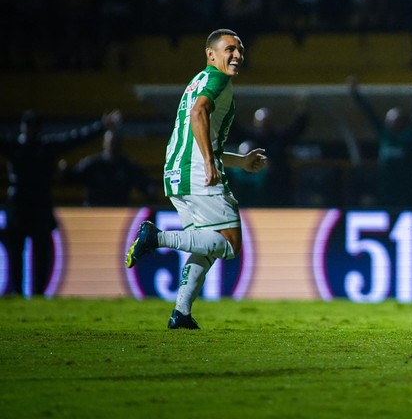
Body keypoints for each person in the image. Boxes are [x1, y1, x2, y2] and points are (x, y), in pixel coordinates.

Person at [124, 29, 268, 329]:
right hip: (196, 171)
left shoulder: (197, 81)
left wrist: (239, 161)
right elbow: (198, 114)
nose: (238, 55)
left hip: (176, 172)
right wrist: (207, 161)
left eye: (240, 49)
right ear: (211, 54)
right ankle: (157, 237)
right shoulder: (217, 79)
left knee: (205, 245)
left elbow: (200, 133)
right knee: (229, 243)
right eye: (230, 49)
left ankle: (181, 313)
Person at [1, 109, 121, 297]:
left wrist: (100, 127)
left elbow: (75, 139)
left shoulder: (41, 147)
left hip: (38, 204)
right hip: (21, 205)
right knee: (17, 251)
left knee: (40, 251)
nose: (30, 130)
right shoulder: (17, 147)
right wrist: (101, 126)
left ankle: (38, 292)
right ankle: (18, 291)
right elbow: (74, 138)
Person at [348, 75, 412, 206]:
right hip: (385, 189)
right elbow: (369, 114)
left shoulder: (411, 136)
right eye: (390, 120)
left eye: (397, 120)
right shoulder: (384, 135)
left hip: (406, 189)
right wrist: (355, 93)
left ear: (404, 122)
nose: (393, 123)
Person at [229, 102, 308, 206]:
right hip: (254, 194)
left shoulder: (279, 139)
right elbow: (234, 129)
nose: (264, 126)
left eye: (267, 123)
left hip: (279, 190)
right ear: (255, 123)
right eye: (261, 123)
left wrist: (302, 110)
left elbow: (296, 129)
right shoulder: (251, 139)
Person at [62, 129, 157, 206]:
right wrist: (65, 171)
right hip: (93, 212)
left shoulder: (127, 166)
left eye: (116, 143)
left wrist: (149, 189)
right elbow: (73, 177)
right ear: (104, 143)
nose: (113, 146)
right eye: (111, 143)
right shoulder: (93, 163)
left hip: (118, 214)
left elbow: (144, 183)